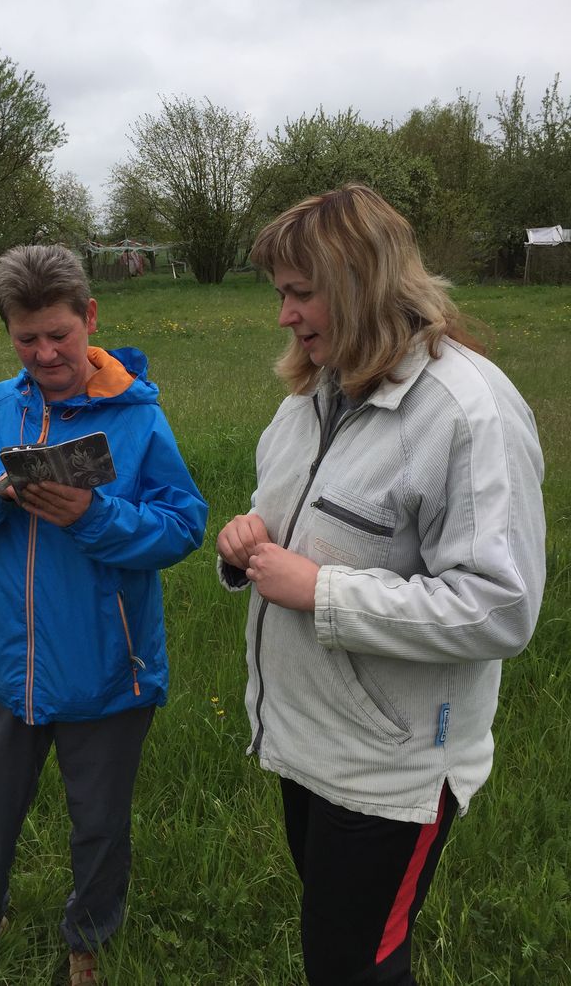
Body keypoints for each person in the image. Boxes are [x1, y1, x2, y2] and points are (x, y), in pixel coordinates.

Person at [216, 183, 545, 986]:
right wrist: (246, 539)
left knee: (355, 967)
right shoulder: (311, 396)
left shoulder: (468, 414)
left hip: (393, 770)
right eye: (280, 293)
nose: (285, 315)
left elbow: (501, 607)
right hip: (309, 744)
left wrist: (320, 591)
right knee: (336, 952)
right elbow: (286, 517)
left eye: (301, 292)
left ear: (360, 281)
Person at [0, 244, 207, 986]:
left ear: (90, 317)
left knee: (99, 823)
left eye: (59, 334)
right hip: (10, 669)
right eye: (26, 338)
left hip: (110, 670)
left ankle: (89, 939)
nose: (44, 353)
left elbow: (183, 525)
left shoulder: (138, 416)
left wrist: (92, 515)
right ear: (8, 331)